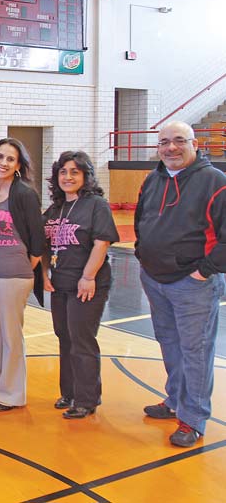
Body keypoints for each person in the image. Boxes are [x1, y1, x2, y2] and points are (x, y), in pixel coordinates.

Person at [135, 121, 226, 447]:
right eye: (164, 143)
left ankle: (193, 418)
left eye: (178, 141)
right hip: (155, 279)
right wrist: (141, 254)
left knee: (195, 351)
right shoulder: (153, 179)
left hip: (193, 285)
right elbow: (141, 219)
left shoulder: (215, 182)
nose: (171, 148)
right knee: (170, 344)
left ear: (195, 144)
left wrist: (204, 271)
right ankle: (174, 400)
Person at [43, 151, 119, 419]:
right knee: (64, 337)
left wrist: (88, 277)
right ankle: (70, 392)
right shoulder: (54, 209)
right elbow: (42, 246)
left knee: (81, 339)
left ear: (85, 176)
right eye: (63, 171)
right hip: (60, 284)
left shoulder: (96, 205)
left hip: (87, 285)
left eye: (74, 172)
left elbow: (102, 242)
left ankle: (87, 399)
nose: (68, 177)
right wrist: (43, 275)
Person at [0, 138, 45, 412]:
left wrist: (23, 267)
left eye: (10, 159)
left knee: (10, 335)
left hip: (14, 276)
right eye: (0, 157)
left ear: (18, 165)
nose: (3, 163)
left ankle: (12, 394)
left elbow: (38, 240)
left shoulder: (24, 194)